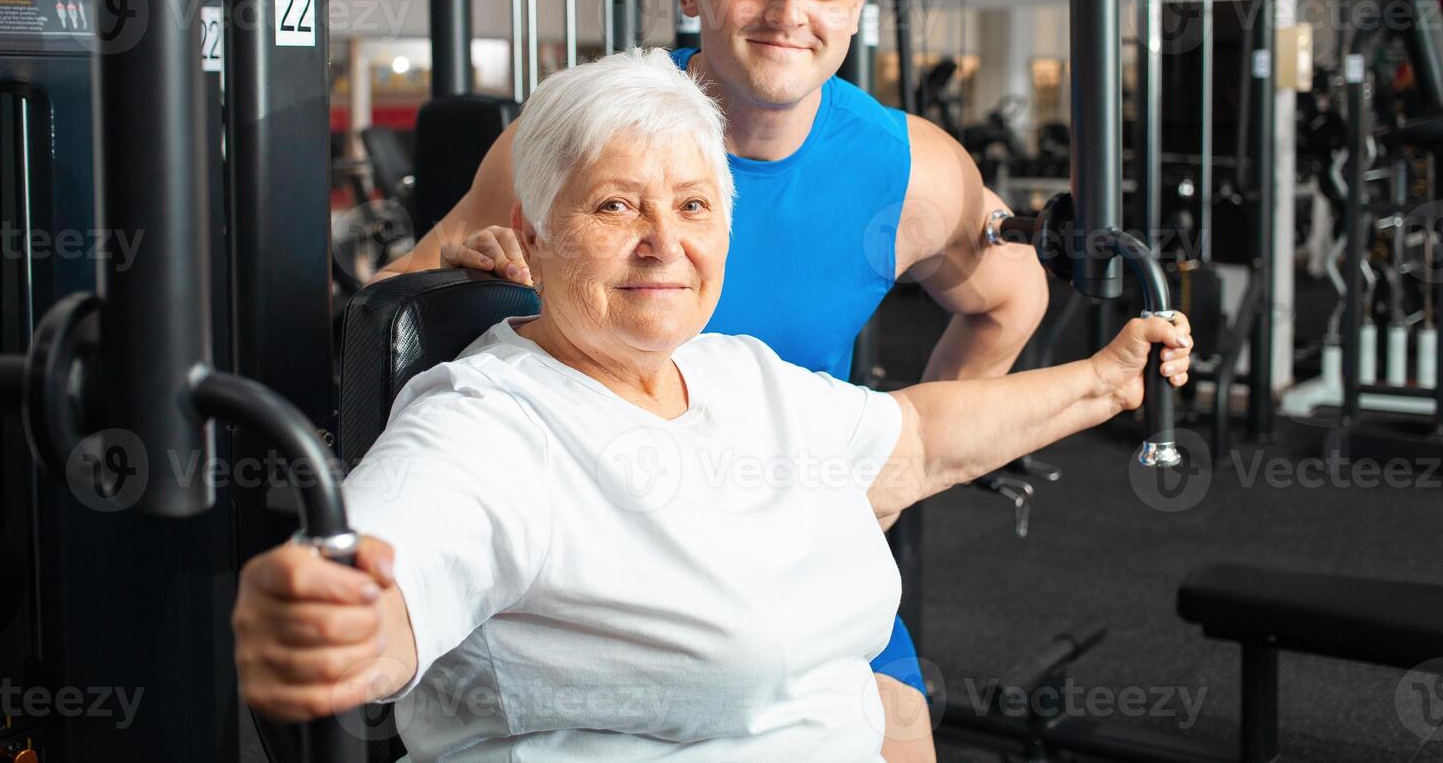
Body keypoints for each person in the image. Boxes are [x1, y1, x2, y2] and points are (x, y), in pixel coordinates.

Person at [233, 51, 1193, 762]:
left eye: (692, 207)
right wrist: (331, 624)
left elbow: (917, 439)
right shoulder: (486, 421)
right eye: (615, 207)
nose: (664, 243)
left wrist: (1106, 381)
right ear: (533, 229)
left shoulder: (737, 373)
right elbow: (392, 573)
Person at [373, 0, 1050, 758]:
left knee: (900, 726)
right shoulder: (582, 133)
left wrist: (880, 490)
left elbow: (1010, 299)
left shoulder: (911, 169)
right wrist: (460, 272)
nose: (788, 13)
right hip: (609, 569)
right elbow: (384, 320)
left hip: (793, 557)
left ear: (855, 5)